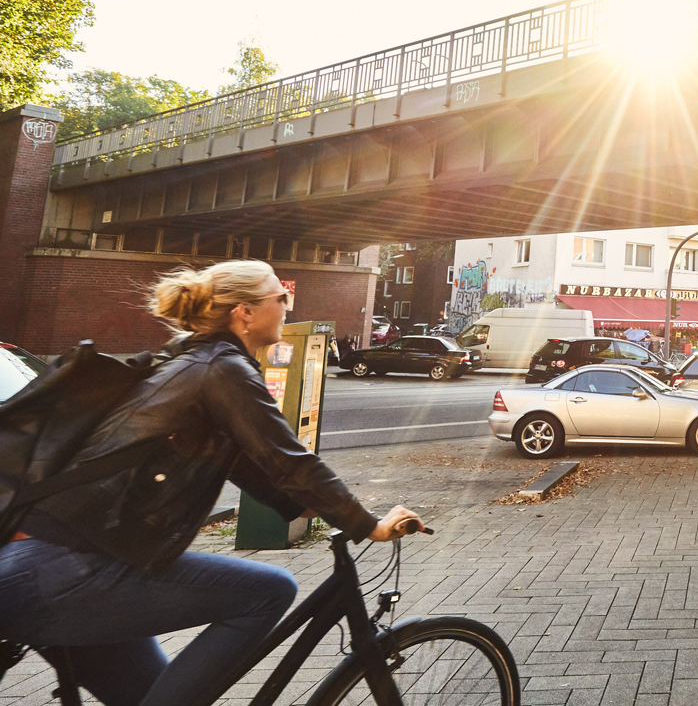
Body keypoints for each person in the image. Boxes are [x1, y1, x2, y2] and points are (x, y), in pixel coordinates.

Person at [0, 260, 422, 706]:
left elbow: (259, 468)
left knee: (152, 694)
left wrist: (316, 506)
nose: (287, 306)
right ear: (245, 312)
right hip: (68, 571)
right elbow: (291, 461)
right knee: (270, 591)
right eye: (281, 297)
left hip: (50, 564)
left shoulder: (192, 362)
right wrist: (368, 525)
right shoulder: (223, 369)